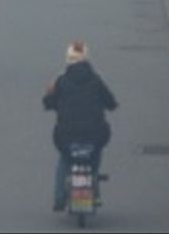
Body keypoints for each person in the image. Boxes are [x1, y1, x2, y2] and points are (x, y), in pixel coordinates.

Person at [42, 40, 118, 212]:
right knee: (95, 155)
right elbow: (111, 103)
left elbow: (48, 103)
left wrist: (50, 96)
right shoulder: (97, 80)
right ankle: (93, 184)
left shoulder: (60, 81)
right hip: (95, 135)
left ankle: (59, 196)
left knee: (64, 160)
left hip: (66, 137)